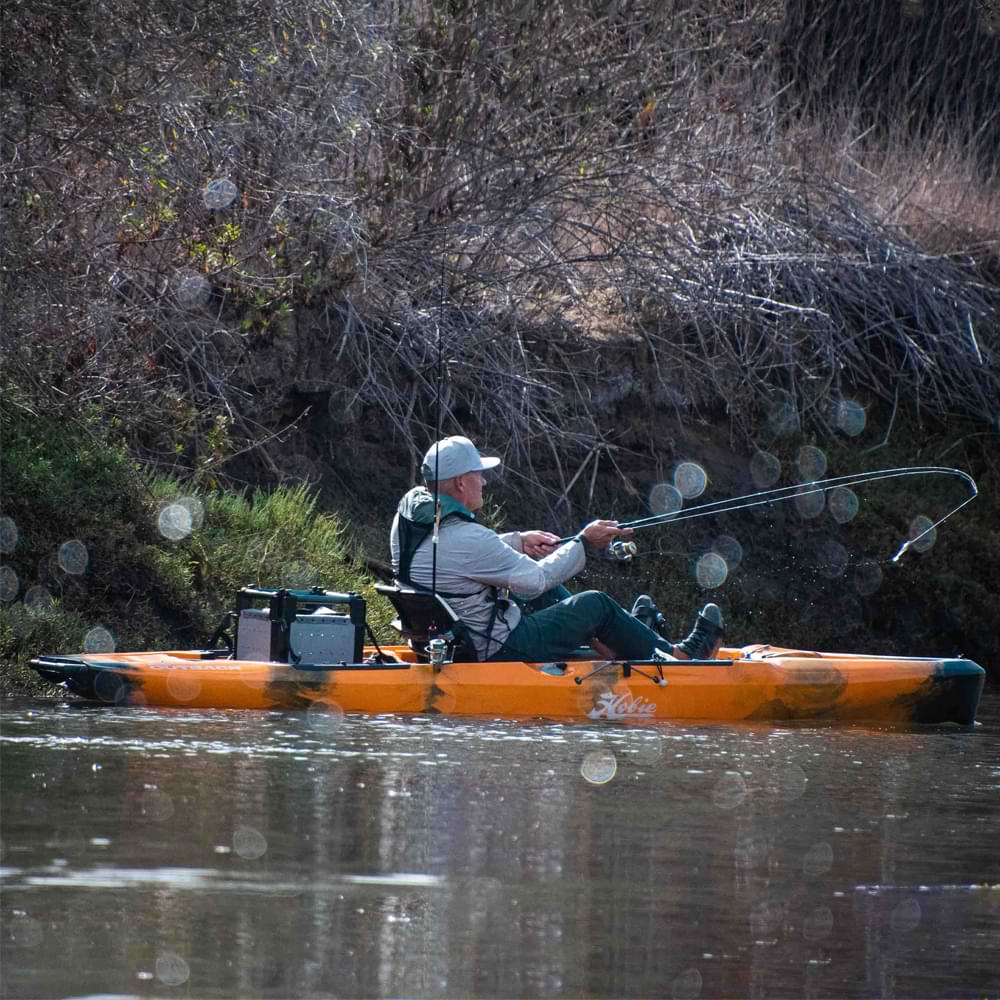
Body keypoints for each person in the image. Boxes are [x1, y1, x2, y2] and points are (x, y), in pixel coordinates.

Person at [389, 435, 725, 663]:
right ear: (461, 482)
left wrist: (518, 540)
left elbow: (456, 557)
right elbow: (535, 579)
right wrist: (584, 542)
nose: (485, 482)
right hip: (493, 646)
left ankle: (627, 641)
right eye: (479, 474)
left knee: (544, 596)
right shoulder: (468, 539)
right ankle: (679, 660)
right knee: (595, 605)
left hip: (450, 637)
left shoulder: (409, 521)